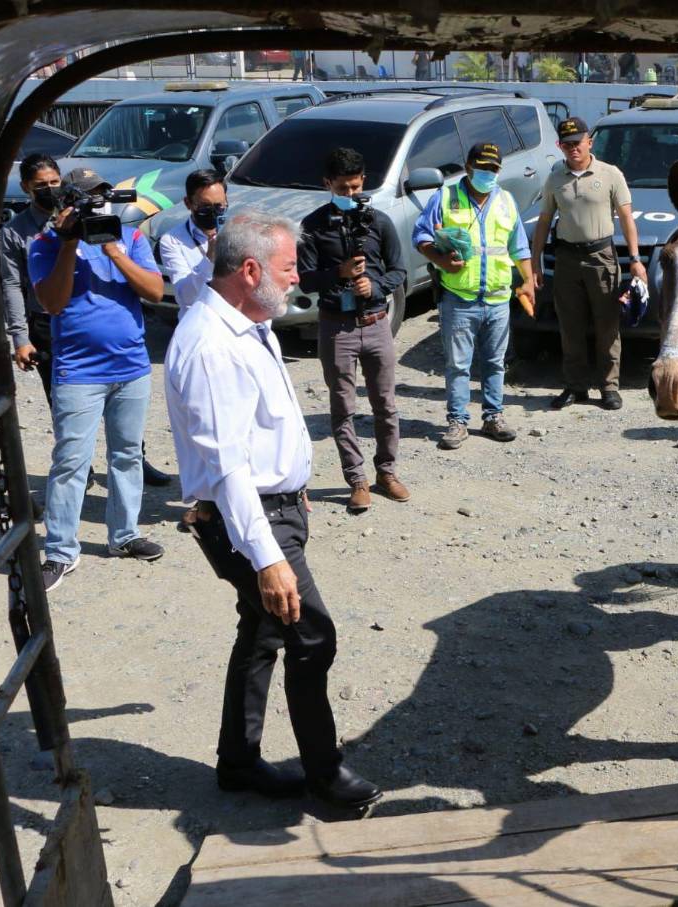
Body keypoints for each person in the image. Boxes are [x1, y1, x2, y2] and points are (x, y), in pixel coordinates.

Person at [165, 211, 381, 811]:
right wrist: (267, 559)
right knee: (312, 635)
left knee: (262, 632)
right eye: (288, 270)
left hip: (272, 508)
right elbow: (229, 468)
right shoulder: (212, 345)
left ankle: (238, 762)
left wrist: (292, 480)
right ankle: (325, 775)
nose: (297, 281)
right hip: (247, 522)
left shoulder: (248, 320)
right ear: (251, 269)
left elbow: (259, 430)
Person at [28, 167, 166, 591]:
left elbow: (156, 292)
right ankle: (60, 551)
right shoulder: (44, 244)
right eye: (86, 197)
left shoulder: (131, 238)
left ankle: (124, 536)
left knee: (126, 454)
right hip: (78, 371)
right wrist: (70, 244)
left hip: (130, 367)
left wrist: (114, 251)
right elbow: (52, 302)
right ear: (67, 203)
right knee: (71, 461)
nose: (95, 204)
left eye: (101, 196)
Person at [298, 148, 409, 514]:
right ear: (327, 184)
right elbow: (307, 279)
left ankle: (386, 472)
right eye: (343, 188)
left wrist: (374, 288)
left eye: (356, 187)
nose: (350, 195)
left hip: (376, 323)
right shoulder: (312, 227)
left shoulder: (378, 221)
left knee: (386, 404)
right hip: (336, 327)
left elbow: (398, 271)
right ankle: (356, 479)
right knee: (343, 406)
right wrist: (340, 275)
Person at [413, 142, 535, 450]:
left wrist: (529, 280)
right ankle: (457, 421)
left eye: (493, 168)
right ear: (468, 167)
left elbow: (519, 246)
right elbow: (421, 235)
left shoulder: (505, 200)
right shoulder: (446, 197)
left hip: (497, 297)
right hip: (459, 297)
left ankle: (493, 416)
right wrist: (439, 259)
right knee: (458, 365)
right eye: (482, 168)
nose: (488, 173)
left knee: (495, 362)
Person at [531, 117, 647, 411]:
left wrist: (635, 259)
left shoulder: (609, 174)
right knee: (570, 326)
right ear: (560, 146)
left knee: (607, 324)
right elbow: (544, 221)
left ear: (589, 143)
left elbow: (626, 218)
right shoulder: (555, 178)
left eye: (577, 143)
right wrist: (534, 262)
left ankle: (609, 387)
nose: (573, 149)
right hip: (567, 258)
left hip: (601, 257)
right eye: (567, 144)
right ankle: (575, 386)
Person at [0, 152, 62, 402]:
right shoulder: (15, 232)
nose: (49, 189)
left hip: (88, 318)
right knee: (60, 402)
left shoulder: (79, 217)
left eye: (54, 182)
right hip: (47, 324)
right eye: (41, 185)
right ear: (26, 187)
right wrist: (20, 338)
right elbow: (12, 284)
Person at [158, 169, 227, 313]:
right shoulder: (172, 241)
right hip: (200, 321)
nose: (213, 212)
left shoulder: (236, 231)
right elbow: (186, 296)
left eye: (219, 206)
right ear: (188, 203)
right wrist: (209, 259)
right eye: (205, 207)